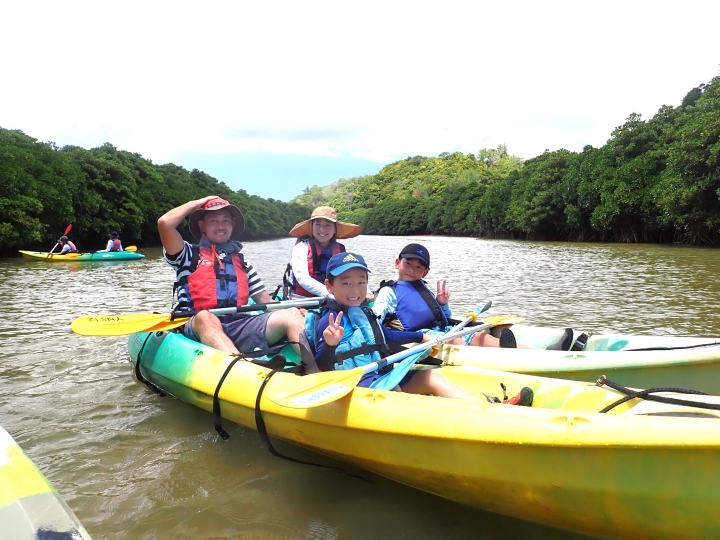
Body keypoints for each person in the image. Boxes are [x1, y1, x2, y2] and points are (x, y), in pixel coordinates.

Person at [309, 251, 533, 405]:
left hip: (381, 373)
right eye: (345, 283)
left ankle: (491, 410)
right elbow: (322, 366)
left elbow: (385, 335)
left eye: (361, 281)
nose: (355, 289)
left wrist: (421, 337)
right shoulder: (329, 321)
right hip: (357, 384)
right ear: (329, 285)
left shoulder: (364, 312)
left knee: (432, 377)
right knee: (395, 392)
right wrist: (330, 344)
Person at [158, 195, 319, 373]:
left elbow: (267, 303)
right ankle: (244, 370)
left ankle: (317, 369)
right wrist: (197, 203)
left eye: (226, 221)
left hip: (239, 324)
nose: (221, 226)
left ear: (232, 225)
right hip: (198, 325)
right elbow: (165, 223)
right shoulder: (187, 255)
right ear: (202, 226)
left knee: (291, 315)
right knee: (206, 317)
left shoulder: (243, 264)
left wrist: (298, 311)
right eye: (213, 220)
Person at [372, 243, 573, 351]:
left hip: (443, 330)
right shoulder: (389, 291)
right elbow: (374, 321)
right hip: (420, 338)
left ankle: (542, 353)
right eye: (408, 264)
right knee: (458, 343)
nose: (412, 270)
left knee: (481, 337)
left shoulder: (422, 287)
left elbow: (442, 315)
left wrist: (443, 304)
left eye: (419, 267)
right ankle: (502, 361)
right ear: (397, 262)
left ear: (425, 273)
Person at [284, 206, 361, 299]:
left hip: (333, 299)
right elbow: (302, 278)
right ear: (312, 227)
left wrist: (366, 291)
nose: (322, 230)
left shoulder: (340, 250)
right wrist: (331, 294)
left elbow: (351, 276)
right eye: (317, 224)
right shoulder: (301, 248)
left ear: (335, 229)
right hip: (302, 300)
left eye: (328, 225)